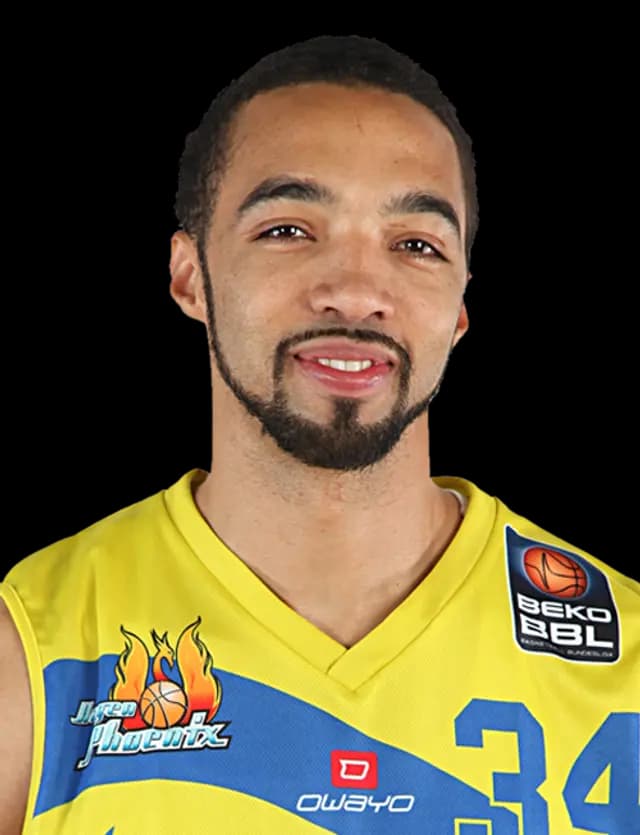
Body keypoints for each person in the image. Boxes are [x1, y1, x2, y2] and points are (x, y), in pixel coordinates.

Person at [1, 34, 638, 835]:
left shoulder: (629, 656)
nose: (356, 292)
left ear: (459, 308)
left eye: (416, 245)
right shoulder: (35, 649)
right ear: (190, 276)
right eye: (289, 230)